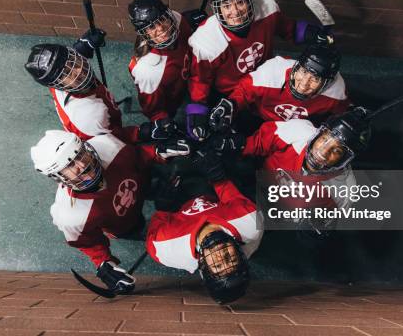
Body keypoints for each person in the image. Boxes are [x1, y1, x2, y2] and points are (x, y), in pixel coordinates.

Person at [30, 130, 189, 294]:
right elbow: (87, 241)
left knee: (176, 182)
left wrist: (157, 152)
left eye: (79, 156)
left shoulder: (108, 146)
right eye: (70, 165)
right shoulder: (71, 215)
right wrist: (104, 263)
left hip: (143, 182)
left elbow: (138, 156)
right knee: (156, 231)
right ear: (58, 177)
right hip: (126, 223)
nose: (82, 166)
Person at [185, 0, 333, 141]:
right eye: (226, 6)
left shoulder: (266, 6)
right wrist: (197, 108)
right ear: (217, 9)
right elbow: (199, 79)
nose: (235, 11)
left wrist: (312, 33)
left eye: (240, 2)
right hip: (230, 92)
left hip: (265, 77)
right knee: (238, 134)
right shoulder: (206, 40)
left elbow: (287, 28)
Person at [146, 151, 264, 304]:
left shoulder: (165, 247)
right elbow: (231, 195)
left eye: (218, 264)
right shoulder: (250, 223)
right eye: (230, 258)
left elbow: (160, 216)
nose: (221, 255)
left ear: (203, 268)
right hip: (212, 194)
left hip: (178, 201)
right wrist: (216, 175)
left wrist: (164, 204)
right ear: (240, 253)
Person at [212, 108, 371, 213]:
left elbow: (329, 218)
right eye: (324, 139)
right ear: (319, 133)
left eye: (336, 150)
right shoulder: (298, 130)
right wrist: (234, 147)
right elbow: (259, 142)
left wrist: (317, 227)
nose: (323, 151)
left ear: (345, 159)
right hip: (257, 178)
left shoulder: (345, 189)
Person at [208, 45, 349, 132]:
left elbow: (341, 114)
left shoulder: (336, 92)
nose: (304, 83)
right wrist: (231, 104)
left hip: (295, 129)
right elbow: (244, 90)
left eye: (315, 79)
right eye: (304, 72)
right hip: (259, 117)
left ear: (326, 84)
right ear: (296, 66)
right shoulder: (274, 70)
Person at [24, 41, 138, 143]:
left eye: (71, 61)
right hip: (97, 136)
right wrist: (140, 133)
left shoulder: (57, 81)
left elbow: (68, 61)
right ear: (57, 83)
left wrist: (84, 45)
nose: (78, 70)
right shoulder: (92, 113)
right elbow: (112, 139)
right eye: (66, 73)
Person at [127, 0, 191, 122]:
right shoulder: (147, 71)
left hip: (185, 82)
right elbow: (153, 109)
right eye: (151, 27)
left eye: (161, 19)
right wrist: (162, 121)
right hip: (172, 99)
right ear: (144, 33)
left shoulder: (176, 19)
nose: (161, 28)